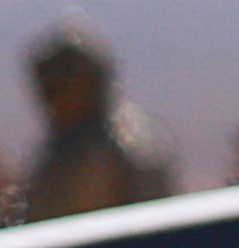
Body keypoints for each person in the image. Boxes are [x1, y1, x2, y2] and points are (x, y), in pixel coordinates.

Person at [19, 21, 176, 222]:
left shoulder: (127, 147)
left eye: (66, 87)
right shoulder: (57, 152)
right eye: (50, 89)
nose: (57, 100)